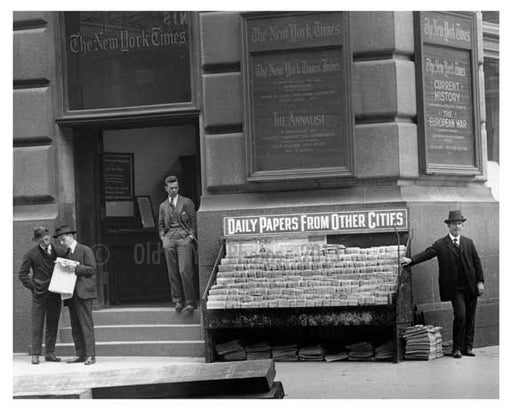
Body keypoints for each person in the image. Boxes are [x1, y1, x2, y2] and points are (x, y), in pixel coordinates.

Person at [401, 210, 484, 359]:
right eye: (454, 224)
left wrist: (480, 282)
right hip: (455, 289)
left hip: (471, 287)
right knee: (461, 315)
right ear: (449, 226)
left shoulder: (468, 242)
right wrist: (411, 260)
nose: (457, 227)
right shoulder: (441, 244)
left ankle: (468, 347)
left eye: (459, 224)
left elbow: (477, 263)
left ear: (462, 226)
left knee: (471, 318)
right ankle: (457, 348)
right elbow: (427, 253)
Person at [53, 225, 97, 365]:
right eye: (60, 240)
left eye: (63, 239)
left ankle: (91, 355)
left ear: (71, 236)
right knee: (76, 326)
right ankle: (80, 354)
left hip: (83, 293)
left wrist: (75, 268)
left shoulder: (85, 250)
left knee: (86, 325)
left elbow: (92, 269)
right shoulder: (66, 254)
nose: (62, 242)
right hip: (71, 294)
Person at [18, 226, 62, 365]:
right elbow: (22, 275)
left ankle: (50, 353)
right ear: (38, 240)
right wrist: (34, 287)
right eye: (43, 236)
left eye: (47, 235)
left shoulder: (57, 250)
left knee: (53, 324)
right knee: (37, 324)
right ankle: (36, 354)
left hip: (55, 292)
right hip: (39, 294)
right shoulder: (31, 254)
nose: (47, 238)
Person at [158, 175, 197, 312]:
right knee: (172, 272)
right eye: (171, 188)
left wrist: (190, 236)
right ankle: (177, 301)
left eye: (176, 187)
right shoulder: (163, 206)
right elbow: (161, 225)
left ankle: (190, 301)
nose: (174, 190)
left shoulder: (186, 202)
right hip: (169, 239)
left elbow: (193, 221)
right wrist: (163, 238)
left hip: (183, 238)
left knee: (184, 270)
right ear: (166, 189)